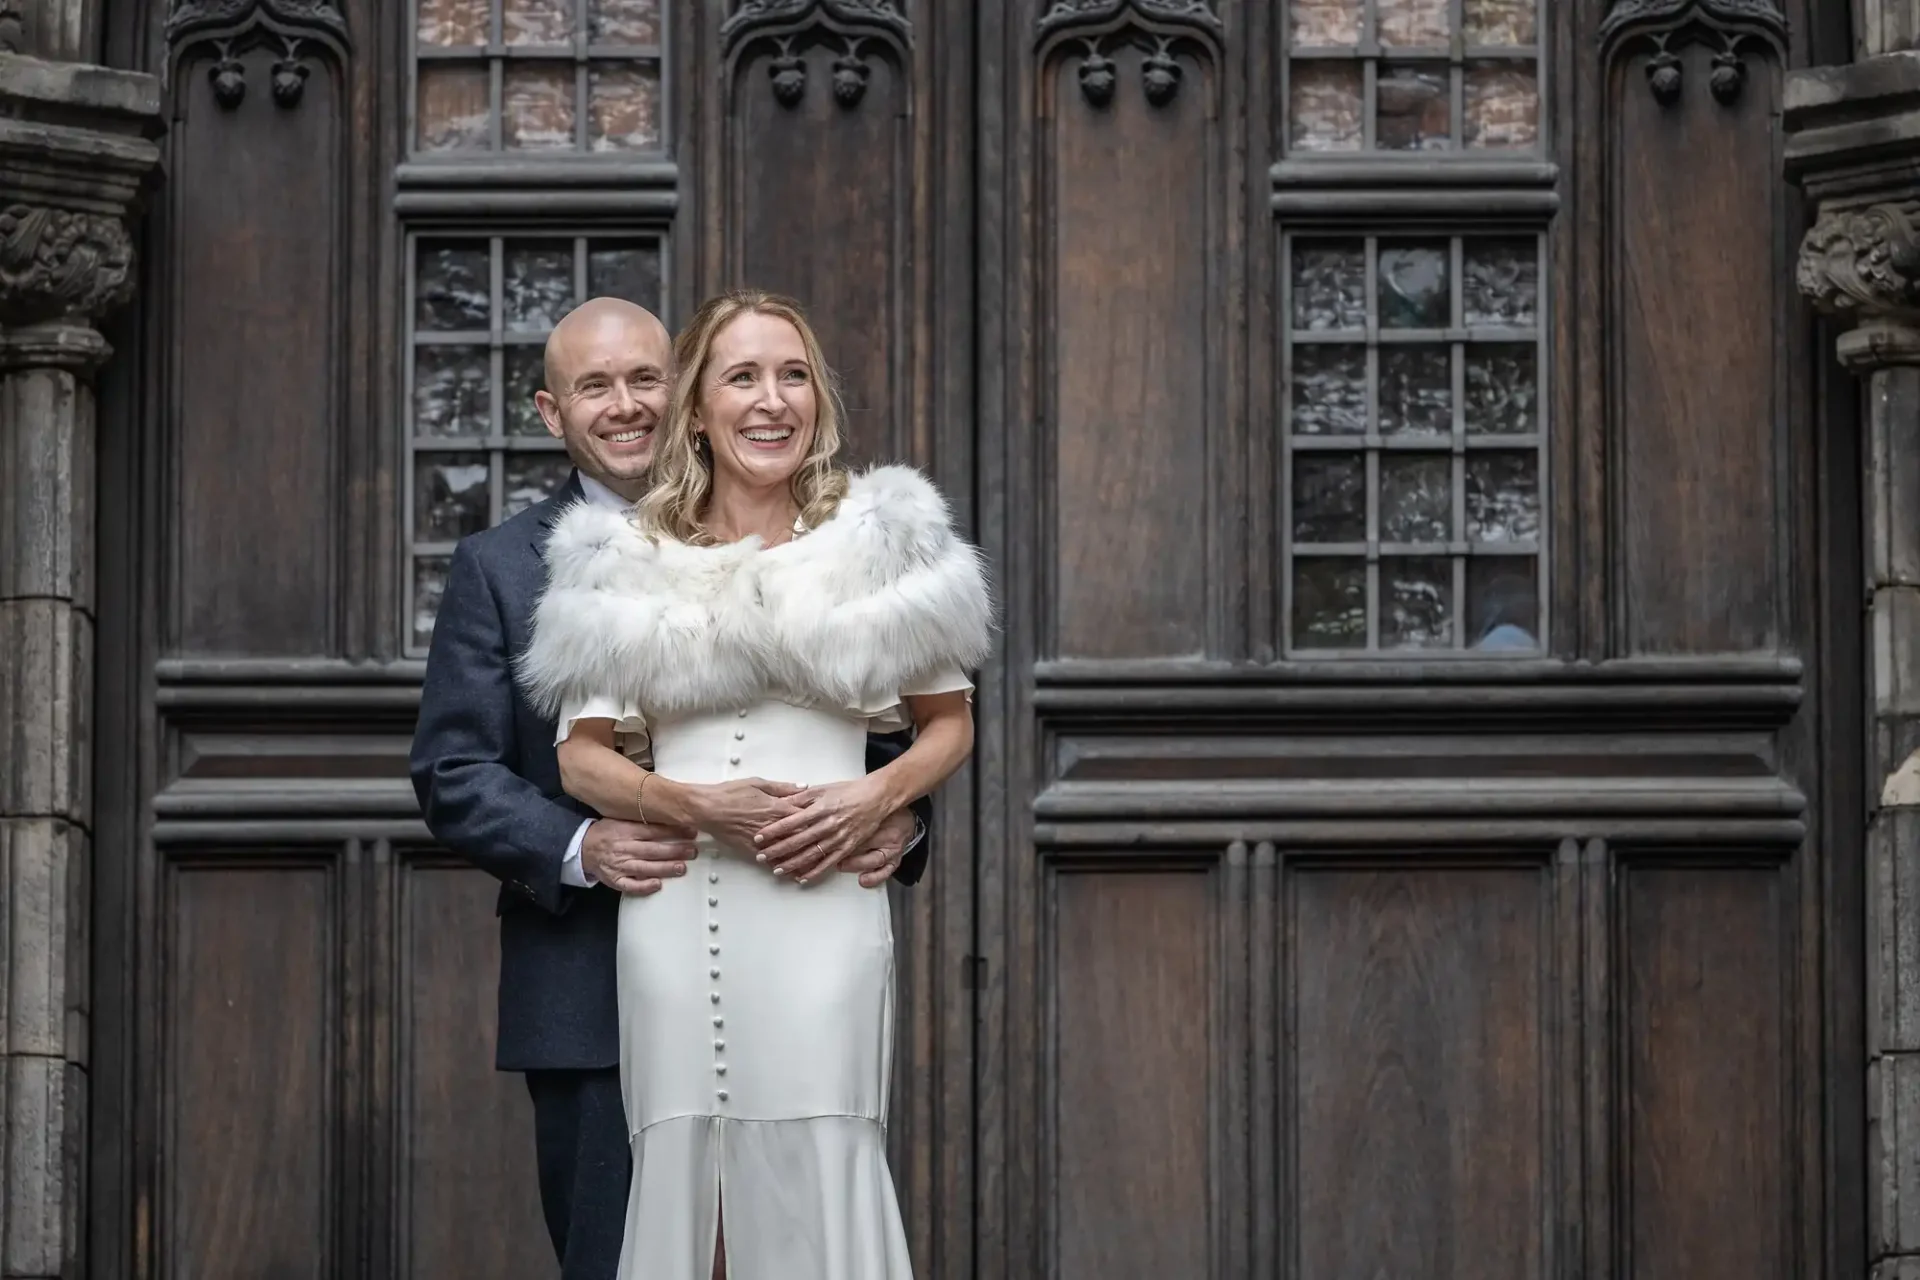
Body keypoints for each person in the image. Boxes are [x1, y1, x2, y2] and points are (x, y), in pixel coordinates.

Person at [408, 297, 934, 1280]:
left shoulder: (816, 544)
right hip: (592, 987)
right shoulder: (499, 567)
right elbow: (453, 768)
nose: (625, 405)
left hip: (790, 949)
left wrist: (897, 814)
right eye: (593, 386)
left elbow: (872, 721)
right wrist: (582, 844)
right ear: (550, 412)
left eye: (645, 378)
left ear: (683, 392)